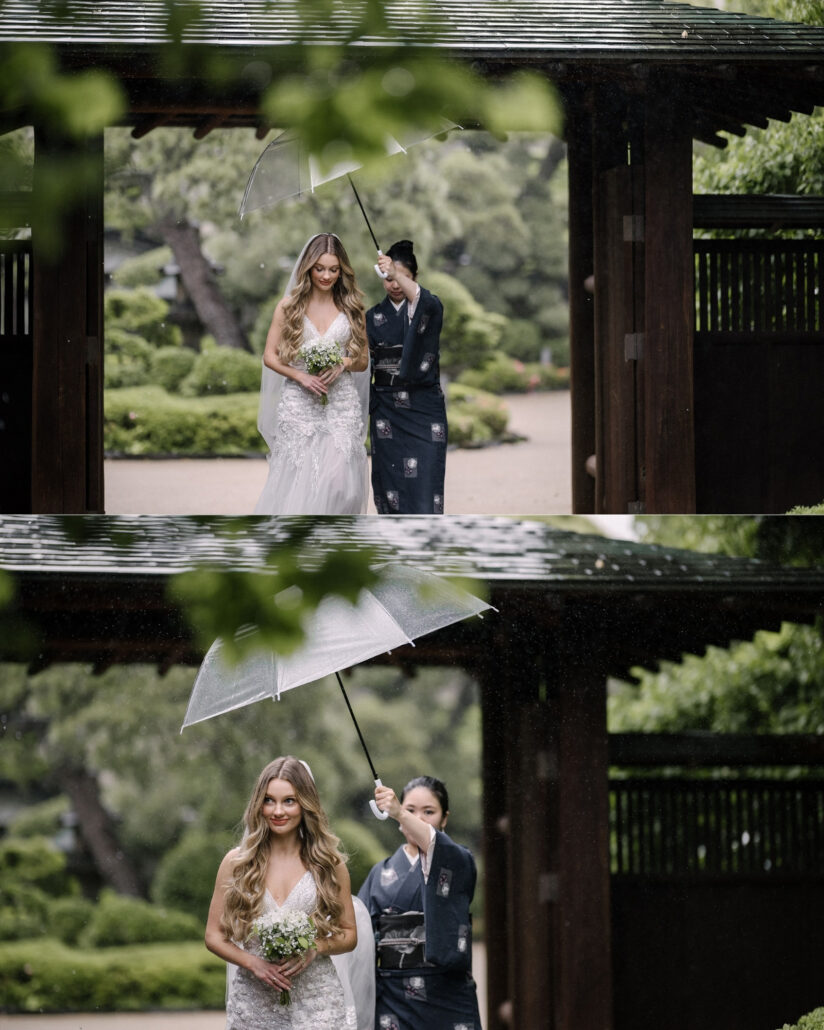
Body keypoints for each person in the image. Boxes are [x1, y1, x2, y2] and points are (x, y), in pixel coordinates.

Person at [205, 756, 374, 1029]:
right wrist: (253, 963)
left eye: (289, 801)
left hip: (317, 1000)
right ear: (258, 804)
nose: (277, 811)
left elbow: (348, 934)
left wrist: (315, 948)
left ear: (305, 804)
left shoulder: (329, 865)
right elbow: (213, 936)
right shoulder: (237, 863)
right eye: (269, 800)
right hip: (255, 1003)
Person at [254, 234, 370, 515]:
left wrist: (343, 362)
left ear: (342, 270)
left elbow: (363, 361)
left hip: (340, 403)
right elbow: (269, 356)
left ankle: (335, 535)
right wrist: (300, 376)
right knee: (301, 479)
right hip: (300, 402)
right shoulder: (289, 306)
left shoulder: (352, 307)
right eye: (320, 269)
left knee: (340, 483)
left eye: (334, 269)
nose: (326, 276)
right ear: (308, 268)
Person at [358, 775, 482, 1029]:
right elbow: (359, 936)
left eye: (429, 812)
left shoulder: (459, 860)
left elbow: (435, 843)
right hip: (394, 995)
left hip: (446, 990)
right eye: (410, 810)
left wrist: (400, 813)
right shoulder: (379, 873)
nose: (419, 818)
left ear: (444, 818)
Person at [367, 240, 447, 515]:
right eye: (388, 278)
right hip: (387, 409)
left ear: (414, 277)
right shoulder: (372, 317)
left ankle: (425, 537)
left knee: (425, 483)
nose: (395, 285)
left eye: (402, 278)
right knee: (391, 483)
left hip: (423, 406)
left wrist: (395, 271)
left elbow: (427, 303)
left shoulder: (430, 306)